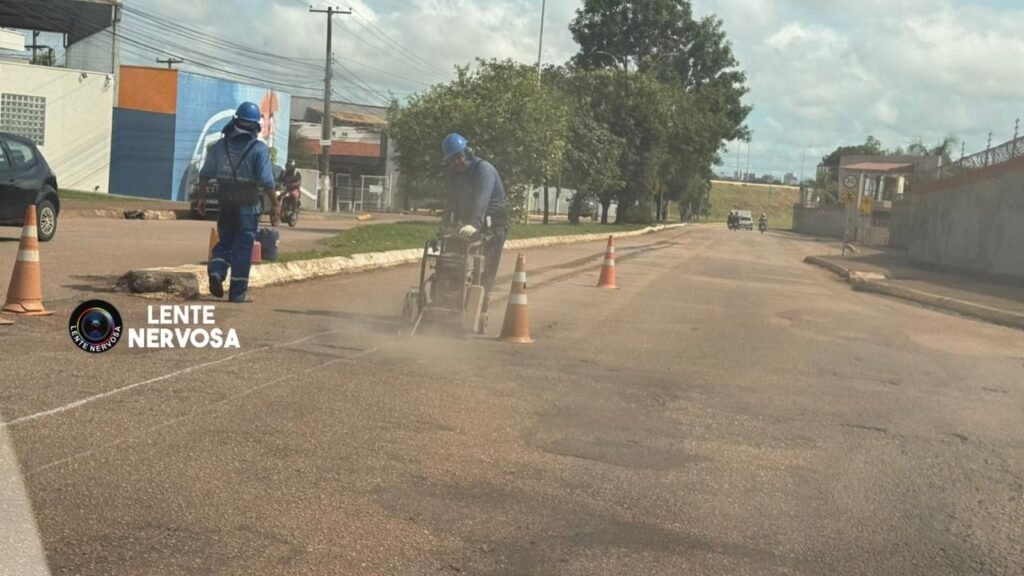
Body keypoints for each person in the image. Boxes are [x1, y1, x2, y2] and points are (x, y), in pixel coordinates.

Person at [196, 101, 280, 303]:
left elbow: (205, 175)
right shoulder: (258, 149)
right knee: (243, 249)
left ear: (235, 121)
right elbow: (267, 182)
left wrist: (202, 198)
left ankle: (216, 271)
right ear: (255, 126)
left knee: (224, 242)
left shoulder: (219, 146)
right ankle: (237, 294)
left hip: (225, 205)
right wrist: (276, 204)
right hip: (248, 207)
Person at [441, 133, 507, 314]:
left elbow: (481, 199)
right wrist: (446, 224)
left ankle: (480, 308)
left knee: (484, 269)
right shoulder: (454, 174)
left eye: (458, 157)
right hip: (468, 223)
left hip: (492, 225)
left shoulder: (483, 169)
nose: (456, 162)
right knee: (453, 263)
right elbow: (451, 201)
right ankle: (449, 300)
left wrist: (475, 224)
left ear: (467, 152)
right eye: (452, 160)